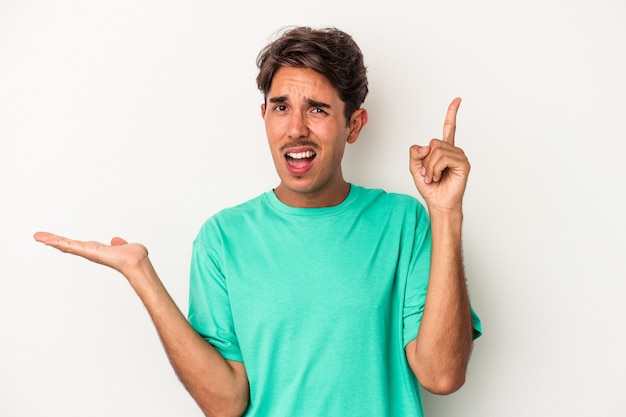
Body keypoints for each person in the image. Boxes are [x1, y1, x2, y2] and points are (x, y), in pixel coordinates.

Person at [34, 26, 481, 417]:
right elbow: (225, 403)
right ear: (264, 116)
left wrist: (446, 214)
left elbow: (442, 375)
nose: (296, 129)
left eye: (318, 109)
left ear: (355, 124)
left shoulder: (404, 222)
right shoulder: (223, 238)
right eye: (281, 107)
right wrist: (141, 274)